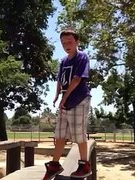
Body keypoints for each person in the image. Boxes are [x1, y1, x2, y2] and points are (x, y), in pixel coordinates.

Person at [43, 29, 92, 180]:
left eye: (69, 42)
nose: (66, 45)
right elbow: (59, 79)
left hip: (79, 99)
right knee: (60, 134)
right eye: (63, 43)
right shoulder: (63, 61)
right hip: (65, 100)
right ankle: (55, 164)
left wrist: (64, 98)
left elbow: (77, 79)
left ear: (77, 42)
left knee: (78, 134)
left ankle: (84, 165)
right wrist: (57, 95)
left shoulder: (82, 57)